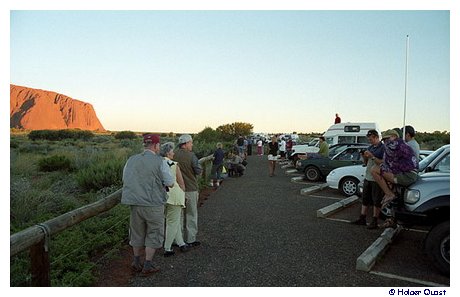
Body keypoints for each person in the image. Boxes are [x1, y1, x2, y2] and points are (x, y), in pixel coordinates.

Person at [121, 134, 174, 276]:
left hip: (135, 204)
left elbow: (125, 178)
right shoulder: (160, 161)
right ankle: (148, 265)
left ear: (145, 145)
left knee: (137, 233)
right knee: (154, 233)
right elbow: (170, 182)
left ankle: (136, 261)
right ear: (156, 146)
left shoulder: (131, 160)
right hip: (154, 204)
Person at [371, 129, 418, 209]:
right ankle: (390, 194)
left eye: (387, 139)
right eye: (384, 140)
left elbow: (388, 163)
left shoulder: (394, 145)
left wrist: (372, 157)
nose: (386, 142)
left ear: (394, 137)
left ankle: (389, 194)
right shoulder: (403, 145)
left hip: (406, 176)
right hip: (409, 174)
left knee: (374, 170)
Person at [159, 142, 192, 257]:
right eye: (172, 151)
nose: (173, 153)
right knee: (173, 222)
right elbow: (181, 183)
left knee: (174, 220)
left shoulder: (157, 164)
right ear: (168, 153)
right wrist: (184, 195)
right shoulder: (173, 164)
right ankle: (167, 248)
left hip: (163, 196)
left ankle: (181, 243)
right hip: (175, 195)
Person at [351, 130, 384, 229]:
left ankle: (375, 220)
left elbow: (383, 164)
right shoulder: (370, 147)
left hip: (376, 179)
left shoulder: (382, 148)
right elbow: (366, 163)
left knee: (376, 200)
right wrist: (364, 156)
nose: (369, 141)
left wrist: (372, 156)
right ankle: (362, 218)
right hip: (368, 177)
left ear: (375, 137)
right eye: (368, 139)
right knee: (365, 199)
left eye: (370, 139)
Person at [174, 134, 202, 247]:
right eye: (191, 142)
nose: (192, 144)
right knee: (191, 214)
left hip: (176, 190)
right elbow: (198, 171)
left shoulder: (173, 155)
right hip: (190, 189)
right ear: (185, 144)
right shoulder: (191, 156)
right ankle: (191, 239)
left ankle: (178, 240)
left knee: (178, 216)